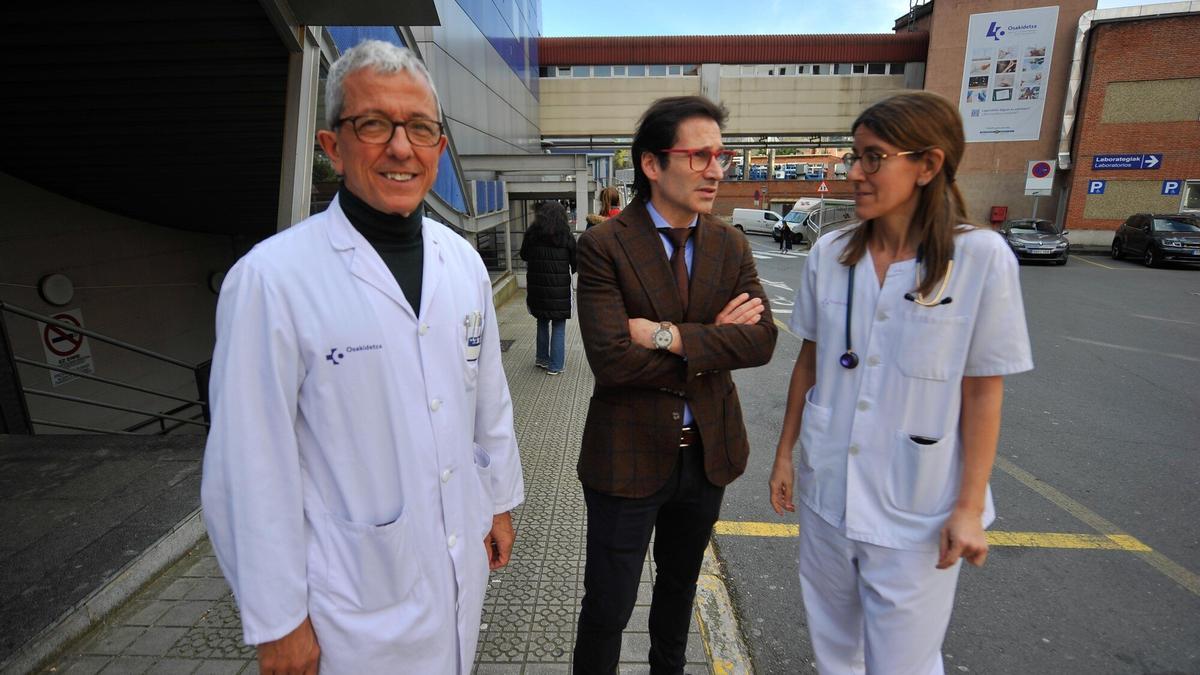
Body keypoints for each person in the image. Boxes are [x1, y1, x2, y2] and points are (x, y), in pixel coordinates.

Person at [201, 40, 524, 674]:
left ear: (438, 147)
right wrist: (278, 621)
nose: (401, 148)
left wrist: (497, 501)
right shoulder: (272, 280)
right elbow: (248, 464)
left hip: (456, 561)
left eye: (420, 128)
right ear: (333, 146)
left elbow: (488, 401)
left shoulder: (462, 262)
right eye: (375, 124)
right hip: (347, 600)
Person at [768, 91, 1033, 674]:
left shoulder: (980, 258)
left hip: (919, 506)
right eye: (854, 156)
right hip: (828, 488)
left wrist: (969, 509)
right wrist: (785, 454)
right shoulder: (831, 252)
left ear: (928, 165)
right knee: (835, 652)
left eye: (873, 157)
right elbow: (810, 361)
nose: (854, 173)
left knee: (903, 663)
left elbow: (983, 391)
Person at [573, 95, 778, 674]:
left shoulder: (730, 244)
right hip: (626, 456)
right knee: (609, 605)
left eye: (721, 156)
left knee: (679, 591)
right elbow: (612, 361)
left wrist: (665, 336)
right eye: (698, 156)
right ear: (652, 164)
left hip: (707, 453)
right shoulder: (604, 246)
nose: (716, 170)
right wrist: (714, 340)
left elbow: (762, 342)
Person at [519, 201, 577, 375]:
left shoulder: (532, 235)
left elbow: (524, 255)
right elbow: (576, 263)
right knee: (558, 324)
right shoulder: (566, 236)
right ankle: (556, 365)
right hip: (560, 290)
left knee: (542, 321)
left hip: (537, 289)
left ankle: (542, 358)